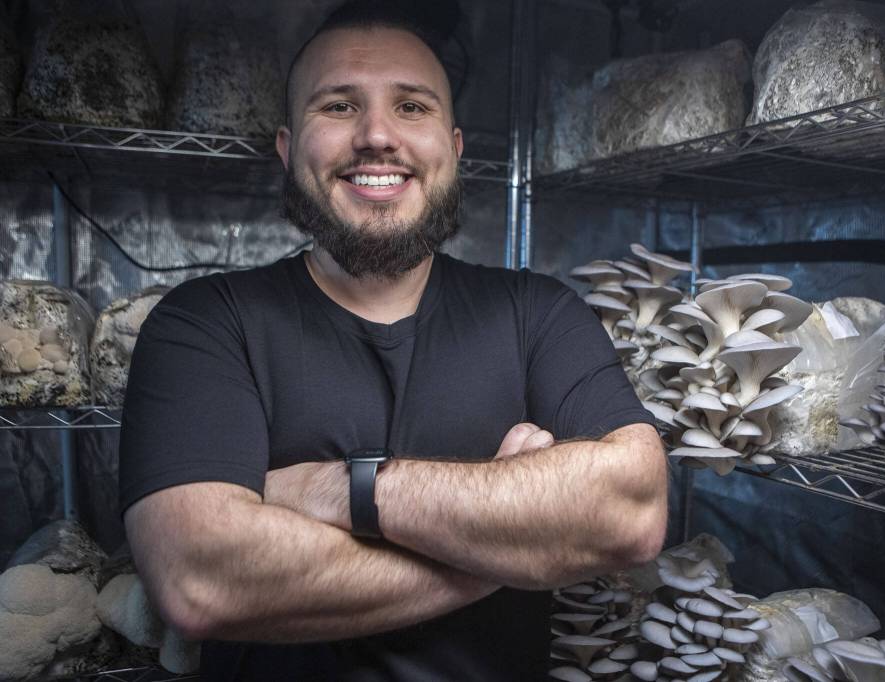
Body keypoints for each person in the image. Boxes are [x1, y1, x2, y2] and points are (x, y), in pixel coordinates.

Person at [118, 2, 668, 680]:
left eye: (412, 107)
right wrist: (510, 547)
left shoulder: (537, 313)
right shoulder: (205, 323)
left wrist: (338, 491)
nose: (378, 135)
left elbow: (633, 512)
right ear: (288, 151)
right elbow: (200, 581)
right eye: (339, 107)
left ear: (454, 149)